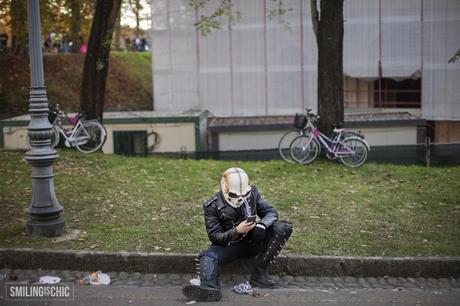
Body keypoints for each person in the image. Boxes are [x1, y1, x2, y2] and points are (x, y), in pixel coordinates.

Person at [182, 167, 293, 302]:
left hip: (254, 240)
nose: (240, 198)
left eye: (244, 194)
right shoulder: (211, 205)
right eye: (235, 195)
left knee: (283, 227)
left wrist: (261, 225)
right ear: (225, 188)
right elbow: (214, 237)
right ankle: (210, 288)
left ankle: (259, 275)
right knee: (207, 256)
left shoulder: (253, 193)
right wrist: (236, 231)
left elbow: (271, 212)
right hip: (230, 246)